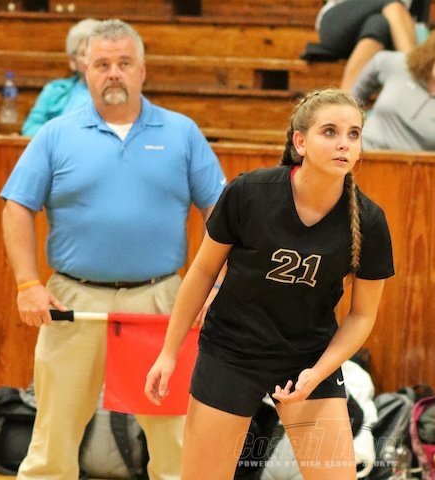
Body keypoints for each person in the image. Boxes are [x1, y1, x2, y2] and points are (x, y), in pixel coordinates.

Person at [0, 19, 226, 480]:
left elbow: (221, 214)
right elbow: (16, 207)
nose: (114, 73)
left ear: (143, 70)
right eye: (102, 64)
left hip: (161, 302)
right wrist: (27, 284)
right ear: (85, 71)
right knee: (53, 437)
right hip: (72, 300)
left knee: (174, 437)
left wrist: (218, 284)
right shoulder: (56, 134)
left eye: (124, 63)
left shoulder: (182, 132)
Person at [145, 88, 395, 479]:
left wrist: (319, 371)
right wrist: (168, 352)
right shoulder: (250, 193)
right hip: (231, 351)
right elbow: (202, 272)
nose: (344, 143)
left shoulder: (370, 221)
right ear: (300, 142)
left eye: (354, 134)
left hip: (308, 356)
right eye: (330, 132)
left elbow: (362, 316)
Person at [351, 28, 435, 151]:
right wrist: (350, 110)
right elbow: (378, 62)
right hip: (361, 151)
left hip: (410, 162)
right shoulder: (401, 65)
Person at [21, 18, 101, 137]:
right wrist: (60, 138)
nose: (90, 59)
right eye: (84, 54)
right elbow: (30, 128)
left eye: (96, 53)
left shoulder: (116, 93)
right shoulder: (55, 90)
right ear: (72, 62)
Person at [314, 0, 417, 91]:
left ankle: (346, 99)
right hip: (336, 23)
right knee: (394, 4)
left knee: (379, 24)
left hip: (382, 30)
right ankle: (416, 76)